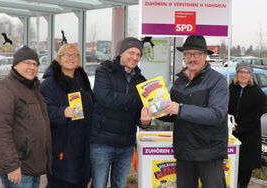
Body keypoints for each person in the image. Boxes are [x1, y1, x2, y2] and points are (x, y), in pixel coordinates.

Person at [160, 35, 229, 188]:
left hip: (209, 152)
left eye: (196, 54)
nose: (192, 58)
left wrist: (181, 109)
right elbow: (174, 114)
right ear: (183, 57)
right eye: (187, 54)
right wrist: (156, 113)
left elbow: (216, 115)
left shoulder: (218, 81)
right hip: (184, 151)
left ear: (205, 56)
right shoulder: (179, 81)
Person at [90, 37, 152, 188]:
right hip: (102, 143)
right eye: (131, 52)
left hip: (126, 145)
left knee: (120, 184)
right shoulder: (104, 71)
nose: (135, 57)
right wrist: (138, 99)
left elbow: (139, 113)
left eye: (138, 54)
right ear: (121, 53)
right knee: (99, 185)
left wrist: (145, 122)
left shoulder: (141, 81)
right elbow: (106, 98)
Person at [0, 46, 52, 188]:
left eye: (35, 64)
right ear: (16, 64)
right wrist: (12, 166)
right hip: (18, 168)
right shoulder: (4, 89)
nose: (32, 67)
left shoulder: (33, 88)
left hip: (32, 166)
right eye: (27, 63)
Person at [40, 44, 94, 188]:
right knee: (61, 183)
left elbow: (91, 105)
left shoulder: (82, 80)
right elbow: (42, 112)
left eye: (75, 55)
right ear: (59, 58)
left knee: (80, 181)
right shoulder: (49, 84)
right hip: (62, 146)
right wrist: (61, 112)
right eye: (66, 55)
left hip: (82, 145)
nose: (71, 58)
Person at [228, 62, 266, 188]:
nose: (243, 75)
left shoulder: (256, 92)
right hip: (231, 132)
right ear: (237, 74)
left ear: (250, 75)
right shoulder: (230, 88)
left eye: (246, 72)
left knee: (245, 166)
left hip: (249, 134)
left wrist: (240, 124)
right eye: (240, 72)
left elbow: (259, 111)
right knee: (232, 163)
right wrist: (229, 123)